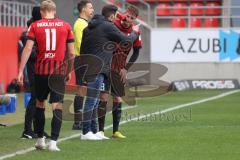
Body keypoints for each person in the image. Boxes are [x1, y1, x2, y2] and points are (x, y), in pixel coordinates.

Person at [18, 0, 75, 151]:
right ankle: (54, 143)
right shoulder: (66, 25)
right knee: (57, 106)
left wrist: (20, 71)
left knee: (39, 104)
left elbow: (28, 48)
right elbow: (71, 53)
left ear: (42, 12)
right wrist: (68, 71)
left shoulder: (35, 26)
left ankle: (40, 140)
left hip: (40, 72)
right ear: (54, 11)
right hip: (58, 73)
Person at [79, 4, 139, 140]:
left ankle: (94, 131)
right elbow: (126, 40)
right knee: (92, 100)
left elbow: (83, 50)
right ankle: (85, 132)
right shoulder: (108, 26)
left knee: (94, 101)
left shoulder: (89, 27)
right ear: (112, 15)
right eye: (116, 15)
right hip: (99, 68)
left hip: (91, 67)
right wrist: (134, 32)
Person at [97, 5, 142, 139]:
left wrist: (125, 68)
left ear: (134, 20)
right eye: (127, 16)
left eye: (131, 18)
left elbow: (137, 52)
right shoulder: (112, 25)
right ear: (124, 14)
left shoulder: (135, 33)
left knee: (117, 98)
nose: (128, 19)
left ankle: (115, 131)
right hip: (106, 67)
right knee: (103, 97)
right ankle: (100, 131)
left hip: (119, 69)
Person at [19, 6, 50, 140]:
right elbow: (30, 53)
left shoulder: (37, 29)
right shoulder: (30, 32)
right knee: (35, 99)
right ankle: (27, 130)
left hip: (40, 69)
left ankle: (38, 130)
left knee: (39, 99)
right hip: (33, 71)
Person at [72, 0, 94, 130]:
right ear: (83, 9)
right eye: (90, 7)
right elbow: (81, 44)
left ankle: (79, 120)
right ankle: (77, 121)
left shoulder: (84, 23)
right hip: (82, 60)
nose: (92, 10)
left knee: (83, 89)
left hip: (84, 60)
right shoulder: (80, 24)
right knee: (81, 89)